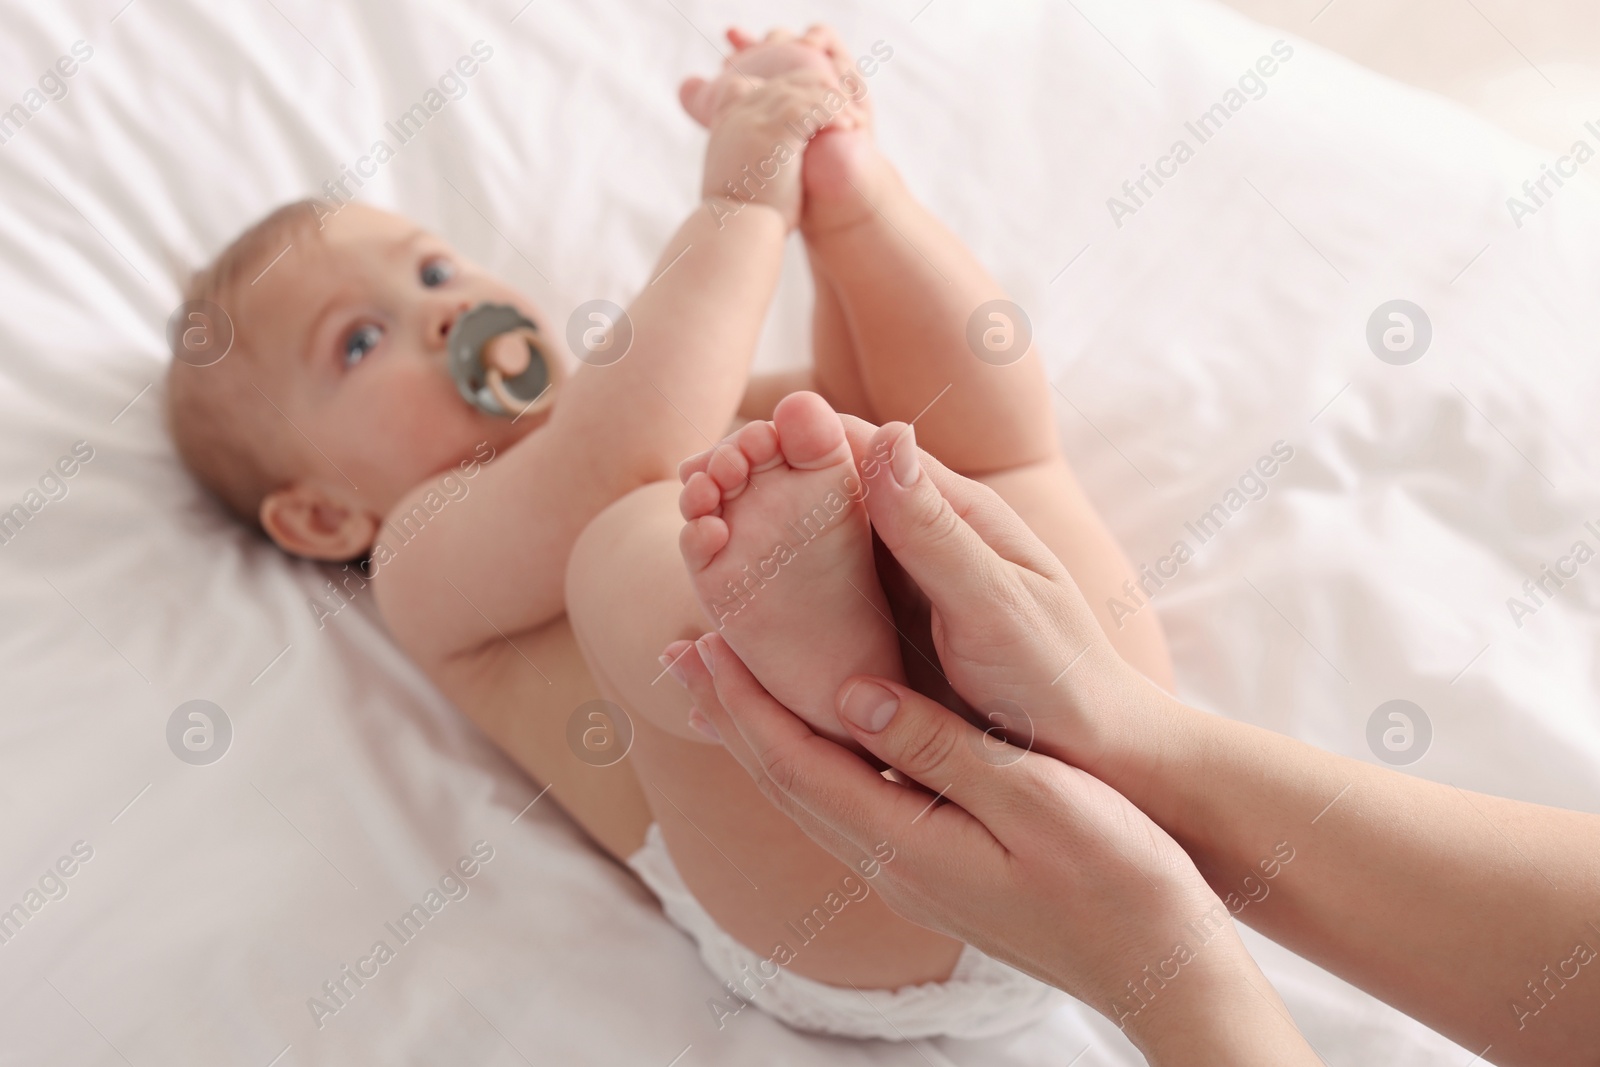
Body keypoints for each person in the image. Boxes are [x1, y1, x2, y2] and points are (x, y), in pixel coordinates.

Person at [162, 25, 1168, 1041]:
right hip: (856, 902)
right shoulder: (423, 546)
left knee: (934, 430)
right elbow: (617, 462)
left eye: (433, 273)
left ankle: (866, 204)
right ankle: (793, 634)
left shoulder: (676, 415)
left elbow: (855, 391)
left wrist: (815, 189)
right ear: (324, 512)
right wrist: (738, 207)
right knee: (624, 545)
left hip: (1109, 755)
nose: (444, 313)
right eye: (359, 340)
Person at [664, 412, 1600, 1066]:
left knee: (612, 543)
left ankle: (847, 204)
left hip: (900, 926)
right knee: (1013, 450)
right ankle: (971, 713)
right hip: (1025, 902)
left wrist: (1156, 959)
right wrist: (1122, 740)